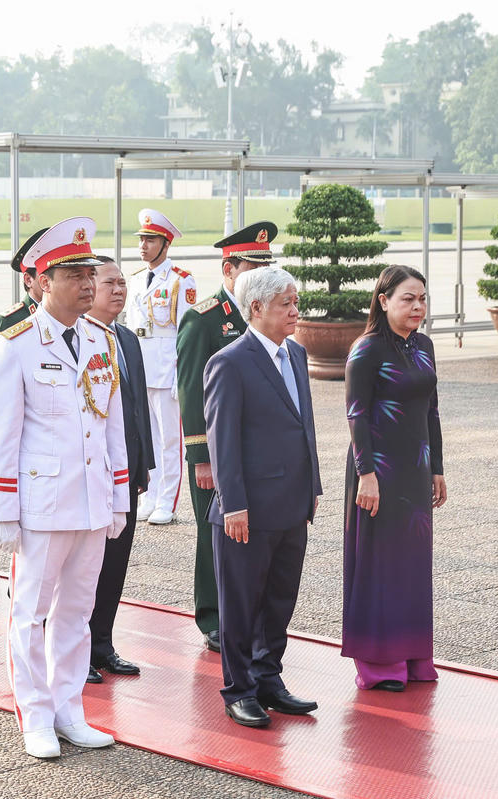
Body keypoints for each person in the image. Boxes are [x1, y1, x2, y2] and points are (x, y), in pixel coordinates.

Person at [0, 217, 129, 759]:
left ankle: (70, 710)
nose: (88, 283)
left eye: (91, 272)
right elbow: (0, 436)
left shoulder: (101, 339)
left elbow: (111, 425)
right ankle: (36, 715)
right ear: (44, 280)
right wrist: (3, 512)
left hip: (91, 500)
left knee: (76, 613)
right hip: (42, 504)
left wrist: (118, 496)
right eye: (74, 274)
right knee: (30, 613)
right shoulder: (16, 345)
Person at [204, 265, 322, 729]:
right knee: (241, 604)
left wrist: (312, 484)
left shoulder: (296, 353)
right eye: (286, 303)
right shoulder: (229, 362)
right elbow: (223, 440)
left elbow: (304, 425)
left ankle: (268, 679)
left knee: (278, 600)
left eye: (295, 302)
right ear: (256, 308)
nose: (296, 311)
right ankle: (239, 690)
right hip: (246, 509)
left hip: (292, 502)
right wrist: (233, 503)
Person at [175, 221, 276, 654]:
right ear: (229, 269)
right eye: (252, 267)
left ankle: (245, 609)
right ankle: (214, 615)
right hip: (215, 451)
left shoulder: (260, 316)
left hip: (253, 449)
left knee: (250, 532)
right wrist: (201, 457)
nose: (260, 275)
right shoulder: (205, 319)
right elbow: (191, 389)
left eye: (265, 267)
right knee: (212, 532)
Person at [343, 265, 446, 691]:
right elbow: (356, 414)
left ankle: (413, 656)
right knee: (380, 564)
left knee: (412, 565)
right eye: (408, 298)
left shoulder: (424, 345)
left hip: (415, 471)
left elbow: (432, 410)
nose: (417, 306)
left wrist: (437, 468)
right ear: (383, 300)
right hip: (378, 473)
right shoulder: (366, 350)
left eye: (422, 298)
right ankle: (379, 664)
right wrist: (366, 474)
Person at [84, 255, 152, 683]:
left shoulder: (127, 338)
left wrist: (143, 465)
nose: (119, 290)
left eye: (123, 283)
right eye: (109, 283)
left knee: (115, 564)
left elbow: (137, 409)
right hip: (92, 474)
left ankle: (103, 643)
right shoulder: (81, 339)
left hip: (126, 473)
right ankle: (79, 650)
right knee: (86, 568)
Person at [125, 208, 199, 526]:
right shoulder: (137, 280)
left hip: (167, 366)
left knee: (170, 439)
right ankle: (152, 495)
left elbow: (187, 330)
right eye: (141, 239)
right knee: (148, 437)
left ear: (165, 244)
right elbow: (130, 327)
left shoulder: (182, 281)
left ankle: (167, 500)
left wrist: (180, 373)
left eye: (150, 240)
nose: (143, 245)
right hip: (143, 364)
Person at [0, 228, 47, 341]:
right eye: (46, 276)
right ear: (28, 280)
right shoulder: (9, 321)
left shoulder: (71, 316)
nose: (53, 281)